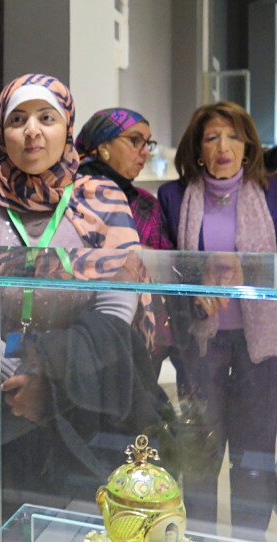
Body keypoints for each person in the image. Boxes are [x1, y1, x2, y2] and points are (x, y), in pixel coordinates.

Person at [0, 73, 172, 520]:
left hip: (81, 379)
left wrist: (51, 366)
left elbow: (117, 300)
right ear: (2, 132)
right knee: (2, 505)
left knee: (81, 504)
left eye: (47, 117)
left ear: (67, 128)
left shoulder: (100, 199)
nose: (32, 131)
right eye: (17, 119)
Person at [158, 101, 277, 539]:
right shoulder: (173, 198)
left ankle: (250, 537)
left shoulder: (272, 193)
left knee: (255, 455)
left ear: (248, 146)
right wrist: (196, 285)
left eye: (233, 136)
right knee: (201, 453)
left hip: (261, 345)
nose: (223, 146)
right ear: (198, 149)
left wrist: (255, 267)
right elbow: (167, 269)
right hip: (201, 343)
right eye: (212, 137)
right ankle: (201, 536)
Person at [75, 108, 172, 250]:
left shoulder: (147, 204)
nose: (145, 152)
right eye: (136, 140)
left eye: (147, 143)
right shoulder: (68, 194)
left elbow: (164, 262)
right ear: (103, 147)